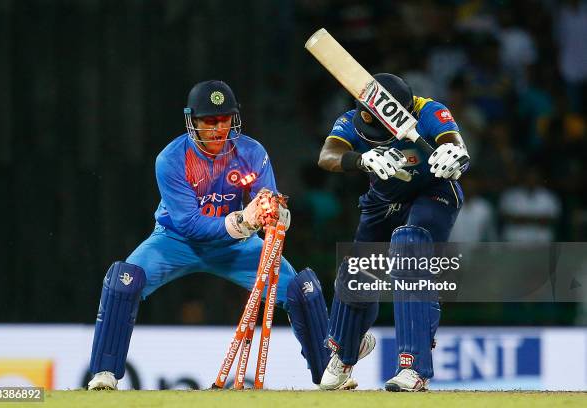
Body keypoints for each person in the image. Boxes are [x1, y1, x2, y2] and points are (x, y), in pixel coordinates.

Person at [87, 80, 374, 390]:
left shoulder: (251, 152)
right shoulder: (170, 160)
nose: (218, 128)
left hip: (235, 246)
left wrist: (276, 213)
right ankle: (104, 374)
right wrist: (242, 222)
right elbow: (189, 225)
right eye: (209, 121)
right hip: (175, 241)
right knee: (123, 281)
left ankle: (330, 373)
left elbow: (269, 200)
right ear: (192, 121)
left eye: (224, 119)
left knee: (301, 288)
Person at [317, 73, 469, 391]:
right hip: (383, 200)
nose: (375, 140)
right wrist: (360, 159)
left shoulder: (429, 111)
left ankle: (413, 367)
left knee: (408, 248)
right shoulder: (352, 118)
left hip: (433, 193)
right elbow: (326, 156)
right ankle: (345, 354)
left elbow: (453, 142)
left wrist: (453, 156)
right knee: (358, 270)